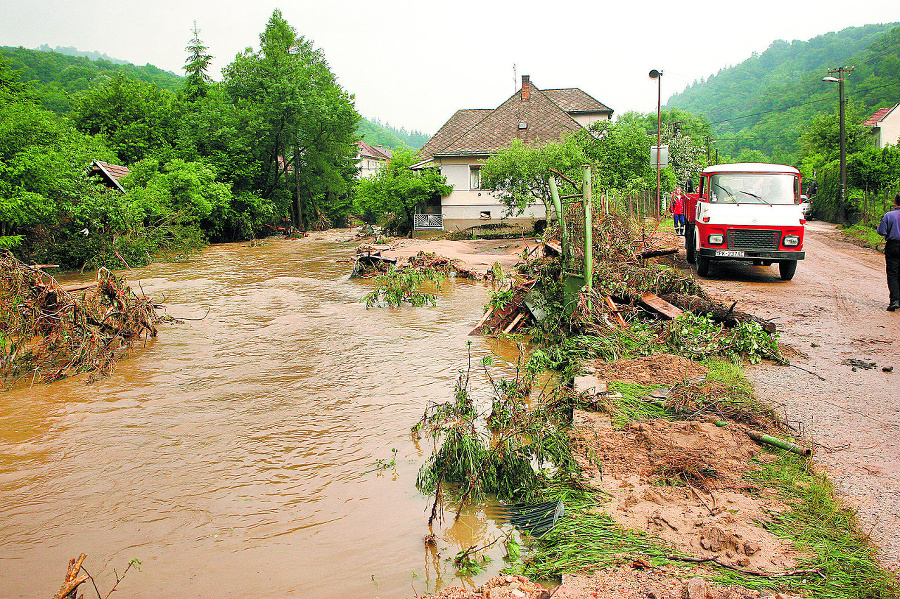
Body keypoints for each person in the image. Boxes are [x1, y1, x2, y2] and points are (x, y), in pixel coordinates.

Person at [877, 192, 900, 311]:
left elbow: (881, 231)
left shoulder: (889, 215)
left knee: (892, 273)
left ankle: (894, 300)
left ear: (895, 202)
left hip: (893, 246)